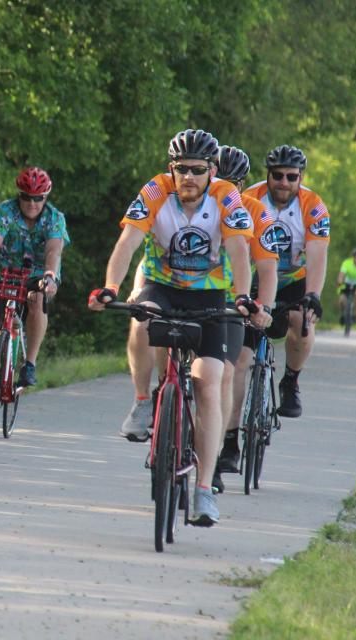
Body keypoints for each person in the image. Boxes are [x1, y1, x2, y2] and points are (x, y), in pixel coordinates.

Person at [89, 129, 263, 527]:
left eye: (197, 170)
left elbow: (238, 250)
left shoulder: (226, 196)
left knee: (208, 380)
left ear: (212, 171)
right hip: (161, 285)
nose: (188, 176)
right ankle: (143, 401)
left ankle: (204, 491)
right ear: (171, 168)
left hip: (210, 295)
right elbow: (128, 242)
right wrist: (110, 287)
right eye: (181, 169)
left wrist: (241, 296)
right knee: (140, 313)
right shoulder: (154, 191)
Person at [0, 167, 70, 410]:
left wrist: (50, 275)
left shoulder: (55, 218)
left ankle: (30, 363)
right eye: (26, 197)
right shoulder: (6, 211)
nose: (32, 203)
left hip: (38, 276)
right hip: (6, 274)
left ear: (46, 196)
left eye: (38, 198)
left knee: (36, 300)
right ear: (19, 195)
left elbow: (54, 249)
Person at [243, 145, 330, 419]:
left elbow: (317, 256)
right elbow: (238, 250)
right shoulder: (249, 198)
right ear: (267, 175)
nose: (284, 182)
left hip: (293, 277)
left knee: (303, 322)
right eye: (277, 175)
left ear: (300, 177)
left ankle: (290, 380)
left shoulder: (313, 206)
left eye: (291, 176)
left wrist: (313, 295)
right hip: (255, 273)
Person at [214, 146, 277, 480]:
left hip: (243, 296)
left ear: (241, 185)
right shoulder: (197, 205)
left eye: (232, 182)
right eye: (218, 179)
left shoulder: (256, 211)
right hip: (202, 293)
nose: (224, 188)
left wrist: (262, 308)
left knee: (239, 362)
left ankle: (228, 438)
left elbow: (267, 270)